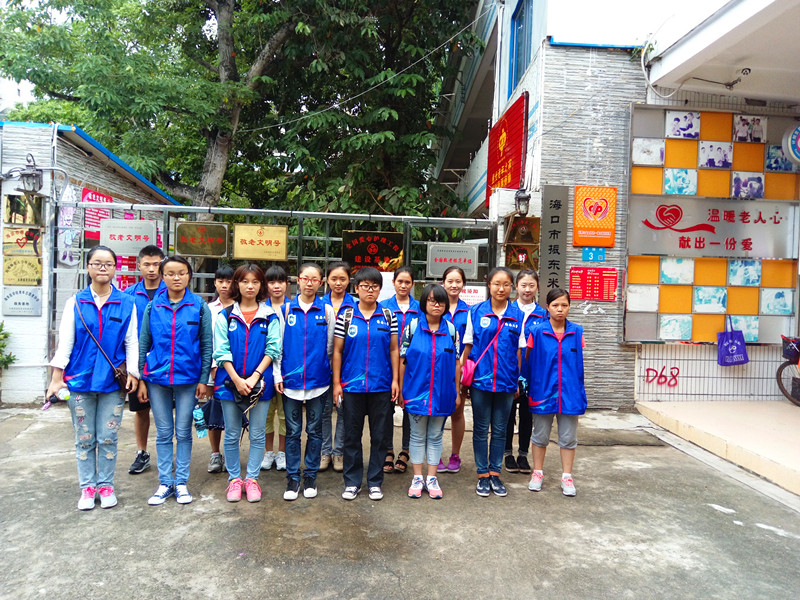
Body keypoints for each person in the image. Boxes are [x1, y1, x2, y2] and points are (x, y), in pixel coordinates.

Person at [46, 246, 139, 510]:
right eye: (97, 263)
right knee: (84, 438)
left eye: (108, 263)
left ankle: (106, 485)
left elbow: (131, 342)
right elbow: (66, 343)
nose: (102, 268)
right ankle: (87, 488)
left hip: (112, 383)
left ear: (115, 269)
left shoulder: (126, 302)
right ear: (88, 267)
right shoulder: (75, 302)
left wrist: (134, 373)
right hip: (80, 381)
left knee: (108, 436)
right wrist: (56, 378)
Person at [138, 256, 213, 506]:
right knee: (163, 433)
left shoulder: (199, 306)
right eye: (170, 273)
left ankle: (181, 482)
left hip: (188, 379)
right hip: (157, 378)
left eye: (181, 273)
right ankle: (164, 483)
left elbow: (206, 345)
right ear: (163, 277)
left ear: (189, 276)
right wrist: (142, 379)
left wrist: (203, 379)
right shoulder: (153, 307)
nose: (176, 278)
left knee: (183, 432)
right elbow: (144, 343)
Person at [213, 264, 281, 503]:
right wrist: (237, 379)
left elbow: (273, 349)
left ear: (261, 285)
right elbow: (221, 351)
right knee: (231, 434)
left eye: (255, 281)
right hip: (229, 383)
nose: (250, 286)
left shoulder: (270, 316)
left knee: (258, 433)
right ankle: (234, 479)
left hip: (260, 384)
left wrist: (254, 378)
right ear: (237, 284)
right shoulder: (225, 315)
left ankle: (252, 479)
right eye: (244, 281)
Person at [332, 266, 399, 501]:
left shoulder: (388, 316)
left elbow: (394, 349)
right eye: (365, 286)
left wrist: (395, 380)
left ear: (380, 289)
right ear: (356, 288)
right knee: (352, 436)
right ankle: (352, 482)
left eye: (374, 286)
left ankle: (375, 481)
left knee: (380, 437)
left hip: (381, 386)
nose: (370, 290)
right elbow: (337, 351)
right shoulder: (346, 316)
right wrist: (337, 383)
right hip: (352, 387)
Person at [274, 263, 336, 500]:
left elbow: (330, 347)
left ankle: (310, 476)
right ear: (297, 280)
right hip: (290, 382)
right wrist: (278, 375)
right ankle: (292, 478)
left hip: (318, 382)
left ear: (321, 283)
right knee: (292, 432)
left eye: (314, 279)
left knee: (314, 431)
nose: (309, 283)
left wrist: (326, 371)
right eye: (305, 278)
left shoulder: (327, 311)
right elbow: (278, 347)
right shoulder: (285, 310)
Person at [462, 267, 523, 497]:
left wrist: (516, 380)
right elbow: (468, 345)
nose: (501, 288)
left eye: (506, 284)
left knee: (500, 430)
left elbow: (519, 351)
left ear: (511, 287)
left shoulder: (517, 315)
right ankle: (482, 474)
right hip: (481, 381)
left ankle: (495, 474)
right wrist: (463, 377)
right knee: (480, 429)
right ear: (489, 285)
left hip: (506, 382)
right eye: (497, 283)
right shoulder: (476, 311)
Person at [399, 284, 460, 499]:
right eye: (432, 300)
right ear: (424, 302)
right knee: (417, 436)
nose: (436, 305)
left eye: (441, 301)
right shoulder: (412, 327)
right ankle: (417, 478)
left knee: (435, 436)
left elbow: (457, 363)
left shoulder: (451, 330)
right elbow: (403, 361)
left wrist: (457, 391)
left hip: (443, 394)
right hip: (415, 392)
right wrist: (401, 389)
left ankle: (432, 478)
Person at [525, 288, 587, 497]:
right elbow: (528, 361)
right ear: (547, 307)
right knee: (540, 435)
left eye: (564, 305)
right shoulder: (536, 332)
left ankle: (567, 476)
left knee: (568, 438)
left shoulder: (577, 332)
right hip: (542, 392)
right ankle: (537, 473)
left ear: (569, 307)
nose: (560, 309)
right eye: (555, 305)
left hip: (570, 393)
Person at [125, 245, 166, 475]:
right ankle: (142, 452)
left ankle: (167, 454)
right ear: (139, 266)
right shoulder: (129, 295)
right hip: (137, 360)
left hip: (164, 361)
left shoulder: (172, 291)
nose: (152, 269)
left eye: (156, 264)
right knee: (141, 410)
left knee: (165, 412)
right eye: (147, 264)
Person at [505, 269, 546, 475]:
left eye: (531, 285)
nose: (527, 289)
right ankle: (507, 453)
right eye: (523, 285)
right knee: (508, 413)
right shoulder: (507, 311)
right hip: (509, 370)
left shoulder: (543, 315)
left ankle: (523, 454)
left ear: (537, 287)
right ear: (516, 287)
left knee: (528, 415)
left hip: (533, 373)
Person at [381, 266, 420, 475]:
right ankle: (388, 449)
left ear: (412, 284)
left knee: (409, 409)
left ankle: (406, 450)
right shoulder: (383, 307)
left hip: (413, 368)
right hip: (387, 365)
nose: (403, 285)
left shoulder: (419, 308)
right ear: (394, 283)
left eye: (407, 282)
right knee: (386, 409)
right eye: (400, 282)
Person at [321, 261, 356, 473]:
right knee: (324, 411)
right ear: (327, 280)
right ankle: (325, 451)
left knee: (344, 411)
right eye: (334, 278)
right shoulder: (319, 304)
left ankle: (339, 451)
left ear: (349, 281)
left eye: (342, 279)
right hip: (322, 366)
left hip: (347, 366)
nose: (338, 283)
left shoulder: (355, 305)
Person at [437, 266, 470, 474]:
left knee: (458, 411)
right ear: (443, 283)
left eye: (458, 281)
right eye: (450, 281)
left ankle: (455, 454)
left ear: (463, 284)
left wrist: (462, 365)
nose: (454, 285)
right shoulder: (434, 307)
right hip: (437, 367)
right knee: (438, 413)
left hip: (460, 368)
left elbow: (470, 342)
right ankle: (436, 455)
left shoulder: (469, 311)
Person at [204, 264, 235, 474]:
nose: (224, 285)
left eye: (229, 281)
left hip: (237, 371)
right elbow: (206, 341)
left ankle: (232, 455)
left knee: (234, 413)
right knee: (213, 410)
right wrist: (213, 366)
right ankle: (215, 453)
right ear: (215, 283)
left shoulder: (241, 307)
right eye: (220, 281)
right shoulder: (208, 309)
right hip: (212, 370)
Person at [261, 265, 289, 472]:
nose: (276, 286)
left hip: (287, 370)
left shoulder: (292, 308)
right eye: (271, 282)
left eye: (280, 281)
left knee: (285, 415)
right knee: (266, 414)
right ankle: (268, 452)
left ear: (287, 284)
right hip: (265, 369)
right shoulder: (261, 309)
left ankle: (282, 453)